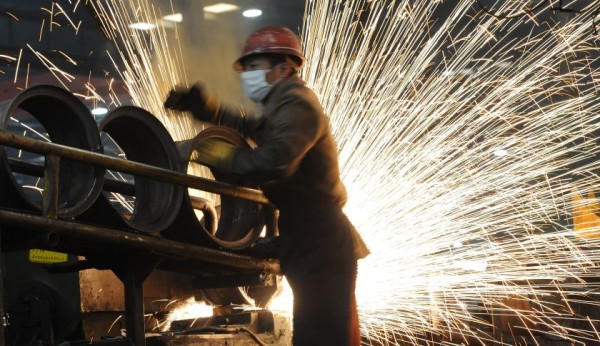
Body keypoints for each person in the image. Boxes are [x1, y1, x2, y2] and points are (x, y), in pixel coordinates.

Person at [164, 26, 369, 346]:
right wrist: (208, 109)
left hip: (320, 239)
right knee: (319, 335)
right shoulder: (282, 105)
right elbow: (250, 125)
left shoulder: (298, 105)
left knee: (322, 338)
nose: (247, 75)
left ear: (284, 68)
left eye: (253, 68)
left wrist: (225, 157)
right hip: (307, 237)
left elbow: (276, 162)